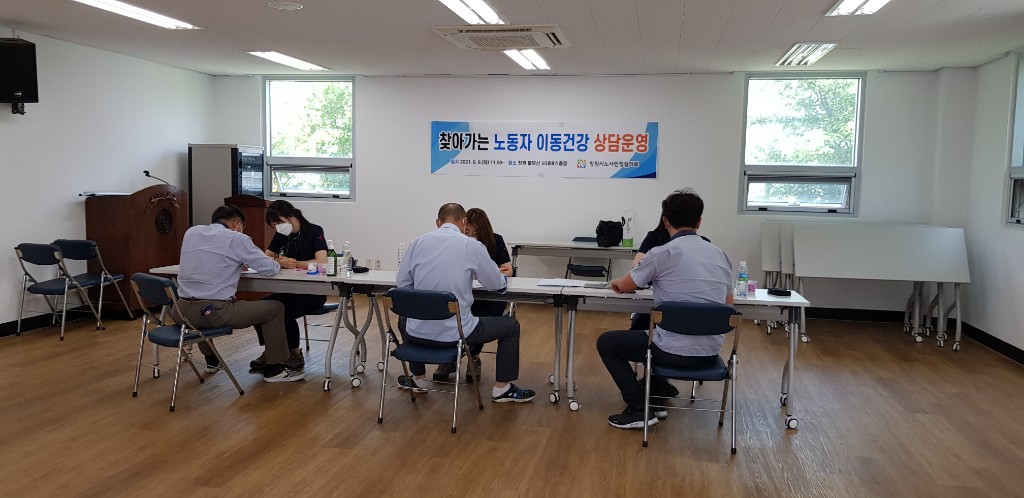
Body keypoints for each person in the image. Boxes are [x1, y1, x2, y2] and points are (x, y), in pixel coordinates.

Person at [597, 189, 733, 429]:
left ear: (666, 221)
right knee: (653, 333)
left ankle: (639, 409)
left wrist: (617, 282)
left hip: (670, 351)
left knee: (608, 343)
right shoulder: (721, 255)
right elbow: (728, 307)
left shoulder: (662, 253)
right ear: (699, 222)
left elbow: (626, 285)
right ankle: (655, 394)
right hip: (710, 353)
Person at [396, 203, 535, 403]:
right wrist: (500, 280)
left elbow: (402, 284)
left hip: (417, 333)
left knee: (405, 318)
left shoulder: (417, 242)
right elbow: (495, 284)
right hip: (457, 334)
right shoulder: (472, 246)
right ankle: (502, 389)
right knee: (510, 326)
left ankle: (418, 378)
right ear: (463, 222)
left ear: (437, 222)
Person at [173, 205, 306, 382]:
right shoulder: (236, 238)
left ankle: (212, 361)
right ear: (237, 223)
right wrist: (279, 263)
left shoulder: (191, 233)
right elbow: (269, 268)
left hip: (180, 311)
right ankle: (275, 370)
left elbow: (207, 258)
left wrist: (234, 261)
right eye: (243, 225)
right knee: (275, 308)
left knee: (197, 316)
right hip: (213, 313)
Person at [432, 207, 511, 382]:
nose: (471, 236)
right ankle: (451, 358)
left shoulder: (494, 241)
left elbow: (508, 269)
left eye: (475, 233)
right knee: (456, 312)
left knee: (476, 314)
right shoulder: (457, 243)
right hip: (463, 295)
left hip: (487, 299)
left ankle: (470, 356)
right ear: (463, 225)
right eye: (467, 231)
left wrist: (489, 272)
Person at [250, 200, 328, 371]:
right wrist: (280, 262)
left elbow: (322, 262)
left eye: (278, 223)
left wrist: (296, 264)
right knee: (259, 309)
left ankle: (294, 353)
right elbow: (265, 258)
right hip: (288, 290)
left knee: (282, 310)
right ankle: (271, 351)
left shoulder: (314, 231)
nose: (277, 228)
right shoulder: (282, 235)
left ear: (291, 216)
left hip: (313, 293)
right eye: (274, 226)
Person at [628, 221, 672, 331]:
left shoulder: (660, 251)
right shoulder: (654, 237)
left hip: (670, 302)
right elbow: (637, 265)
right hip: (653, 297)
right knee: (640, 322)